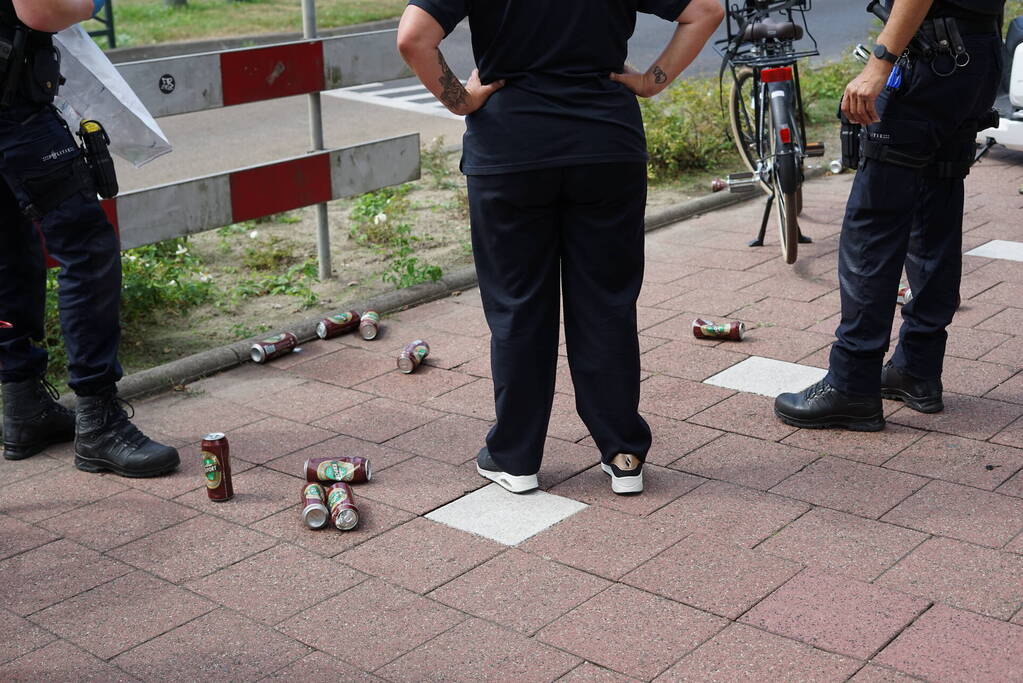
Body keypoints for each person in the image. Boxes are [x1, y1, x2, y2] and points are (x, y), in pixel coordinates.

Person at [397, 0, 723, 494]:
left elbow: (413, 37)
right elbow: (705, 10)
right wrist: (650, 82)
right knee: (607, 302)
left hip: (511, 149)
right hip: (605, 144)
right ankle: (624, 453)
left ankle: (516, 458)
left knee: (519, 305)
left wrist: (461, 100)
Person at [775, 0, 1005, 431]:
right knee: (936, 210)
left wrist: (880, 62)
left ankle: (852, 385)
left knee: (873, 227)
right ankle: (917, 369)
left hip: (930, 56)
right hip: (976, 53)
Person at [0, 0, 179, 476]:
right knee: (88, 250)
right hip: (14, 111)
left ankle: (23, 408)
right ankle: (98, 423)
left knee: (9, 249)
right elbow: (45, 9)